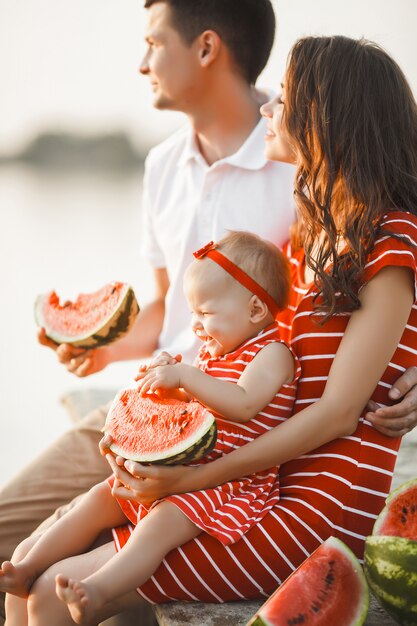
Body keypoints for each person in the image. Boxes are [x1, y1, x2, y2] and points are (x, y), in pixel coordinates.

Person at [0, 1, 416, 619]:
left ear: (325, 119)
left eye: (286, 100)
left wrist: (188, 479)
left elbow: (339, 404)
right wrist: (108, 351)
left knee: (57, 589)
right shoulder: (304, 236)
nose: (270, 106)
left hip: (294, 488)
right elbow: (197, 310)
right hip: (218, 438)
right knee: (44, 570)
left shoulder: (377, 234)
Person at [2, 231, 299, 624]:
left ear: (256, 309)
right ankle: (27, 568)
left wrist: (185, 377)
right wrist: (163, 385)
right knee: (97, 499)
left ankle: (99, 589)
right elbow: (196, 411)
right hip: (184, 468)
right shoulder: (214, 355)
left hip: (226, 485)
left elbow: (243, 404)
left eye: (205, 314)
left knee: (157, 529)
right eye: (191, 314)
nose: (195, 326)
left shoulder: (272, 353)